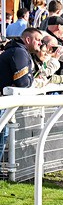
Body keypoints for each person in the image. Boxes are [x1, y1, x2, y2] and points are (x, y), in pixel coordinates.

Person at [0, 27, 43, 159]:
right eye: (38, 40)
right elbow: (23, 82)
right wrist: (30, 79)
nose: (41, 43)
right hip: (2, 101)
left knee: (4, 136)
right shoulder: (19, 52)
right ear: (28, 39)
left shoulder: (20, 51)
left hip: (4, 101)